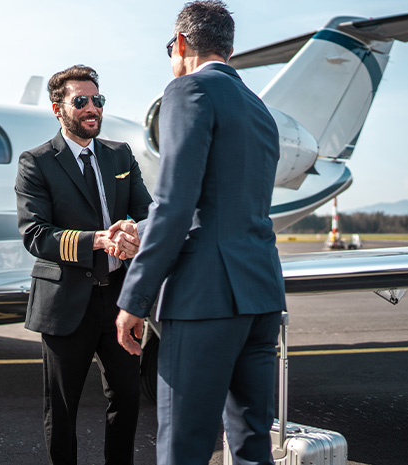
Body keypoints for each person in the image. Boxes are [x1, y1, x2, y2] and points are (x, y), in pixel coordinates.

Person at [114, 2, 287, 464]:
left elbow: (175, 203)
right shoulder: (259, 109)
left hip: (206, 297)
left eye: (170, 47)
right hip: (261, 294)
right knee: (252, 443)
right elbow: (223, 205)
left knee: (183, 448)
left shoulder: (188, 90)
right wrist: (140, 227)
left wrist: (133, 299)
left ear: (183, 43)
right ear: (229, 48)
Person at [15, 65, 153, 465]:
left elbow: (146, 214)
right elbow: (36, 235)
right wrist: (99, 239)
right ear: (59, 109)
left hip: (119, 303)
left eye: (98, 100)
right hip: (65, 303)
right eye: (81, 101)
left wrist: (133, 231)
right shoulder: (36, 162)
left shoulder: (120, 154)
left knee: (127, 400)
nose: (92, 108)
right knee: (62, 409)